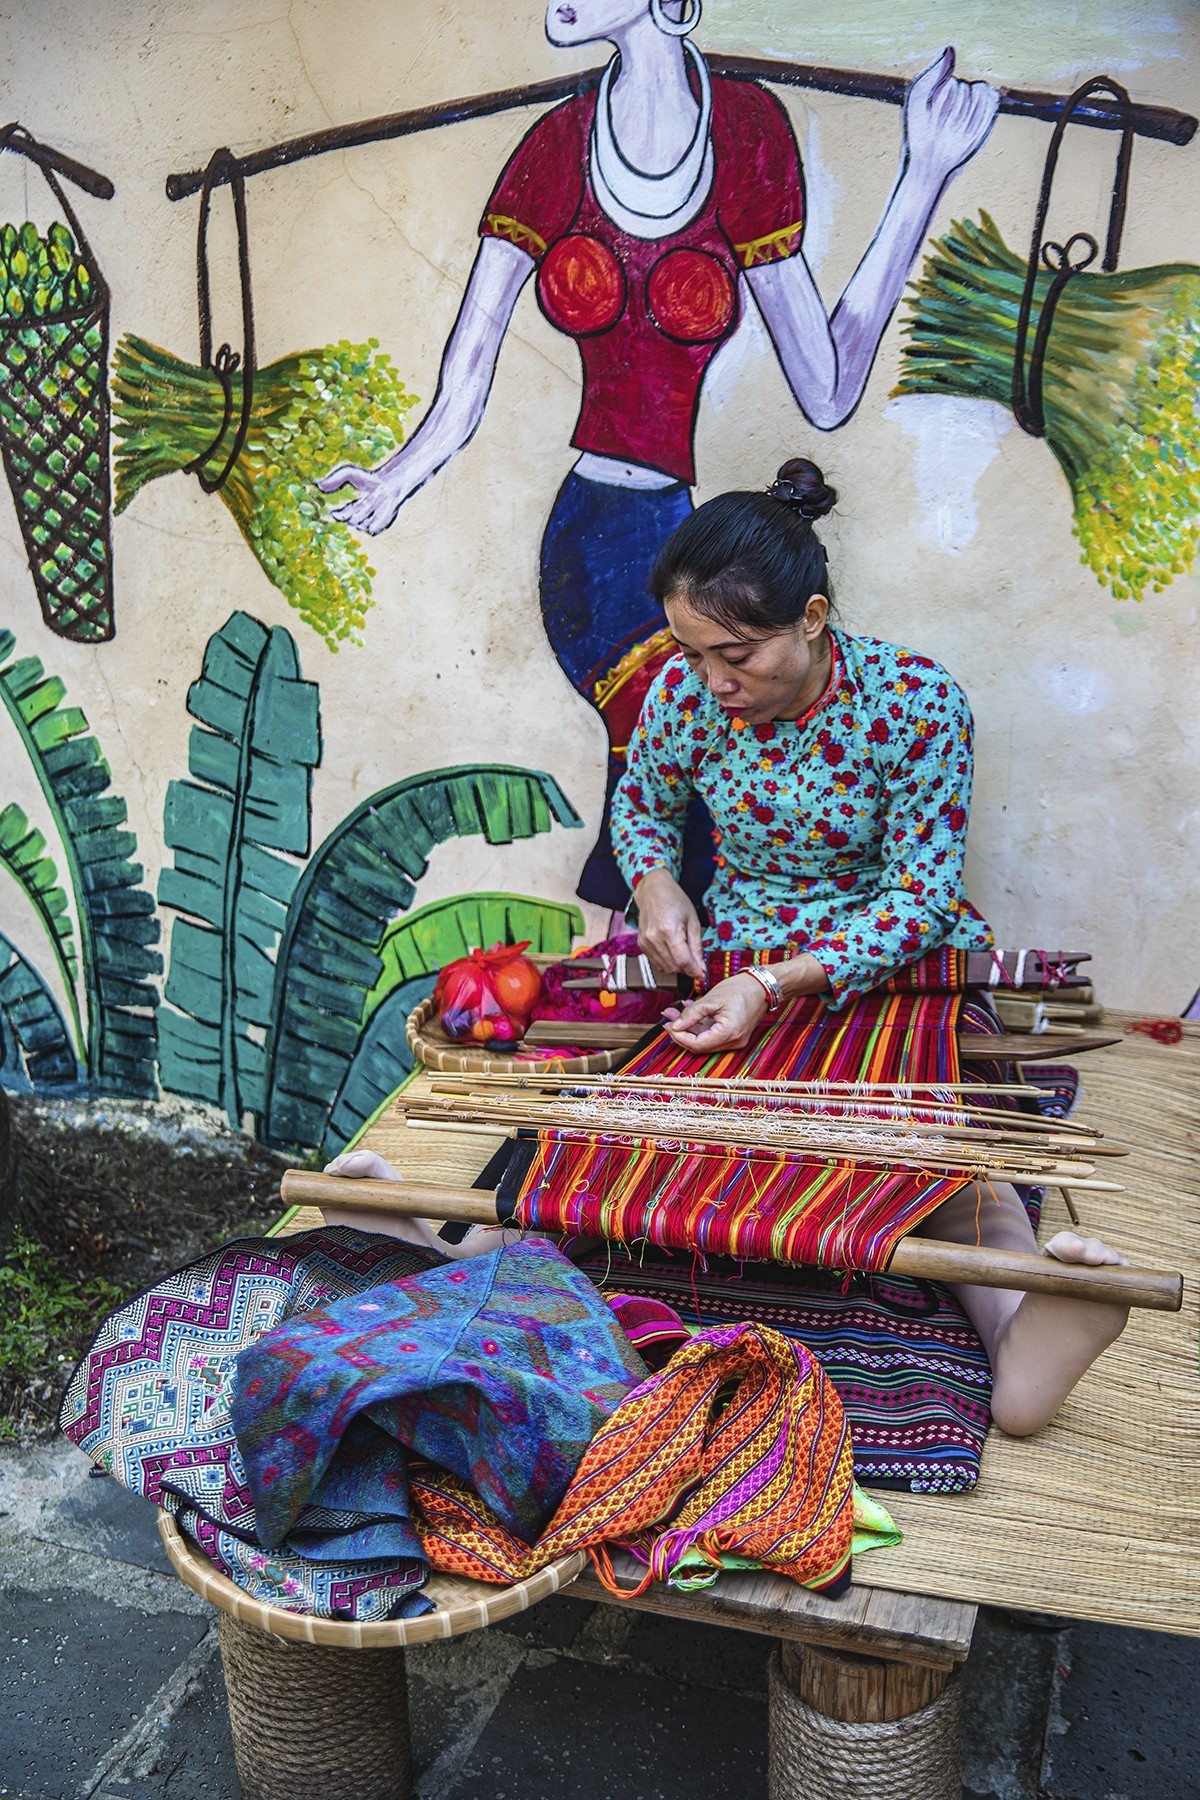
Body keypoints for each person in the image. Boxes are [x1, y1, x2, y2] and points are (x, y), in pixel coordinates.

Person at [318, 0, 999, 911]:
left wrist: (923, 174)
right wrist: (399, 475)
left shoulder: (750, 133)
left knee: (679, 770)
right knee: (665, 760)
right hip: (592, 547)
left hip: (678, 538)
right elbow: (469, 362)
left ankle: (673, 979)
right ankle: (659, 984)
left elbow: (829, 390)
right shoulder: (555, 146)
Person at [609, 456, 1128, 1436]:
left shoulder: (918, 705)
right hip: (742, 972)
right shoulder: (686, 697)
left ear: (811, 617)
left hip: (893, 976)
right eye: (692, 655)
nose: (715, 682)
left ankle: (1027, 1332)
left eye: (739, 655)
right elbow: (642, 804)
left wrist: (775, 983)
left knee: (923, 1144)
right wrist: (655, 878)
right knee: (656, 1140)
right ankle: (487, 1269)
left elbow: (920, 900)